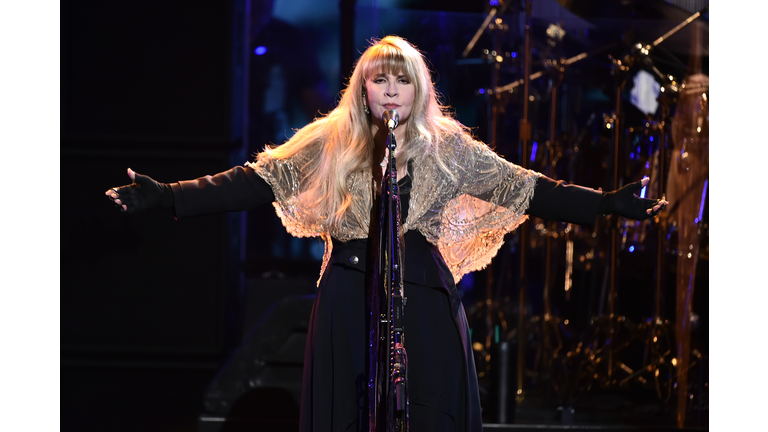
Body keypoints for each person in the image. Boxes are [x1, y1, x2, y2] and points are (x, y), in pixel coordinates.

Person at [105, 36, 667, 432]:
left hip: (423, 295)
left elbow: (524, 187)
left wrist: (607, 204)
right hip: (350, 293)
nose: (391, 90)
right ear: (363, 88)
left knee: (425, 410)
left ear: (419, 88)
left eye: (403, 80)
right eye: (380, 79)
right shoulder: (330, 141)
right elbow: (254, 180)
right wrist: (171, 195)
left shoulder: (449, 147)